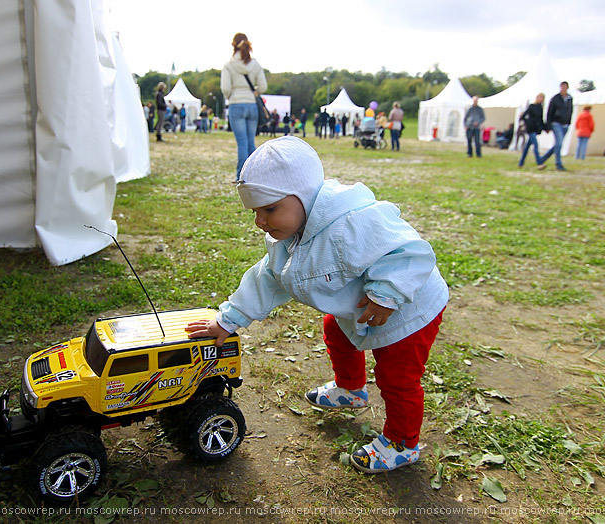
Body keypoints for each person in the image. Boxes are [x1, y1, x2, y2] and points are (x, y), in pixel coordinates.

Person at [185, 136, 449, 474]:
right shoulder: (291, 238)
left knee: (397, 376)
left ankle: (402, 442)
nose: (260, 222)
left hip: (408, 308)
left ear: (303, 197)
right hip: (362, 308)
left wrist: (387, 294)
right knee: (334, 330)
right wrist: (228, 319)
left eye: (270, 209)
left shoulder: (352, 222)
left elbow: (410, 251)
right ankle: (351, 389)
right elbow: (267, 278)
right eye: (255, 212)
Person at [220, 32, 267, 181]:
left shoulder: (228, 65)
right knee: (250, 141)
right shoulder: (255, 64)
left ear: (233, 45)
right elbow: (264, 87)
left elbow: (225, 88)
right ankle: (253, 175)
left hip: (236, 103)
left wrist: (230, 96)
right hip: (251, 104)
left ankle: (241, 175)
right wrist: (254, 91)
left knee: (242, 143)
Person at [538, 81, 573, 171]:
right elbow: (549, 112)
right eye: (562, 87)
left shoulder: (569, 98)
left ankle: (542, 159)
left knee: (558, 145)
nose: (563, 88)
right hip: (556, 123)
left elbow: (570, 111)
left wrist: (569, 122)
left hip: (565, 124)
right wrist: (548, 126)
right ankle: (558, 164)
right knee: (559, 144)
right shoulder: (555, 99)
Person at [519, 93, 545, 167]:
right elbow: (524, 116)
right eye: (539, 97)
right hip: (530, 129)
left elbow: (540, 119)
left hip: (536, 129)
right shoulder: (532, 106)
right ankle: (539, 162)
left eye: (542, 98)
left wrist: (543, 127)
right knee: (536, 145)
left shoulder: (540, 107)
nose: (540, 99)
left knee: (527, 146)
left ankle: (521, 162)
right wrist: (528, 123)